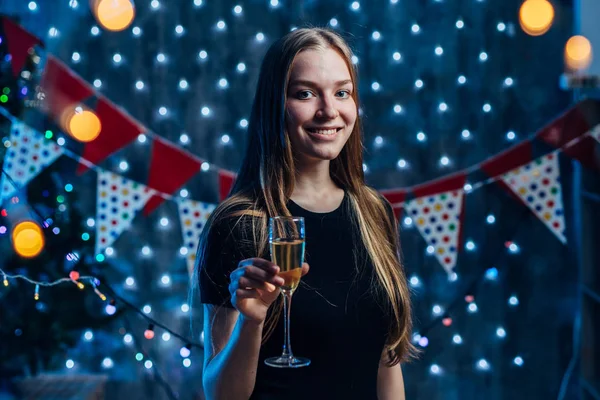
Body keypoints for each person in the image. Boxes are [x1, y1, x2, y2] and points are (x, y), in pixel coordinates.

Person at [193, 27, 416, 400]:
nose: (329, 110)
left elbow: (386, 364)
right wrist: (252, 320)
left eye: (342, 92)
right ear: (274, 105)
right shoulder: (239, 225)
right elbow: (221, 394)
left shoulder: (373, 212)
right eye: (306, 93)